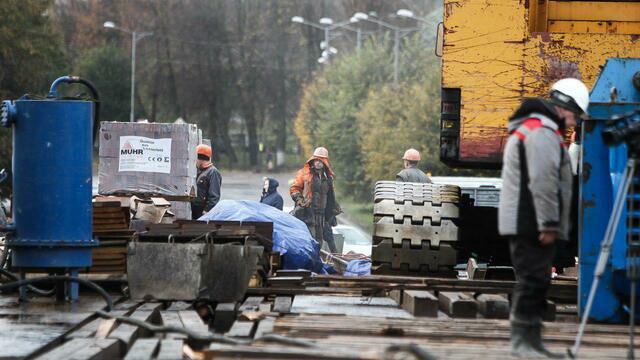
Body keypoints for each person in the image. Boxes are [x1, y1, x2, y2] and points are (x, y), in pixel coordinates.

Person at [498, 78, 589, 358]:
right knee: (532, 281)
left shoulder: (539, 129)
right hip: (531, 220)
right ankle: (522, 344)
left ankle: (531, 342)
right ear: (566, 106)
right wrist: (549, 223)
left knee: (536, 280)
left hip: (529, 218)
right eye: (576, 115)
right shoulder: (541, 131)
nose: (575, 122)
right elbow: (543, 181)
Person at [290, 146, 341, 252]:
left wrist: (333, 209)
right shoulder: (304, 173)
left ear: (325, 162)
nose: (318, 162)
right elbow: (294, 189)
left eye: (320, 160)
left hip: (321, 216)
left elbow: (330, 195)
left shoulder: (328, 177)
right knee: (310, 240)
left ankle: (315, 264)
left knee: (319, 242)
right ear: (312, 160)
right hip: (307, 213)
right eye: (316, 160)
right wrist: (300, 200)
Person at [191, 144, 222, 219]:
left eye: (196, 158)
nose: (194, 161)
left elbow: (214, 196)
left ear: (200, 158)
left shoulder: (213, 172)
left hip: (203, 213)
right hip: (195, 212)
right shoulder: (200, 171)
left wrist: (206, 211)